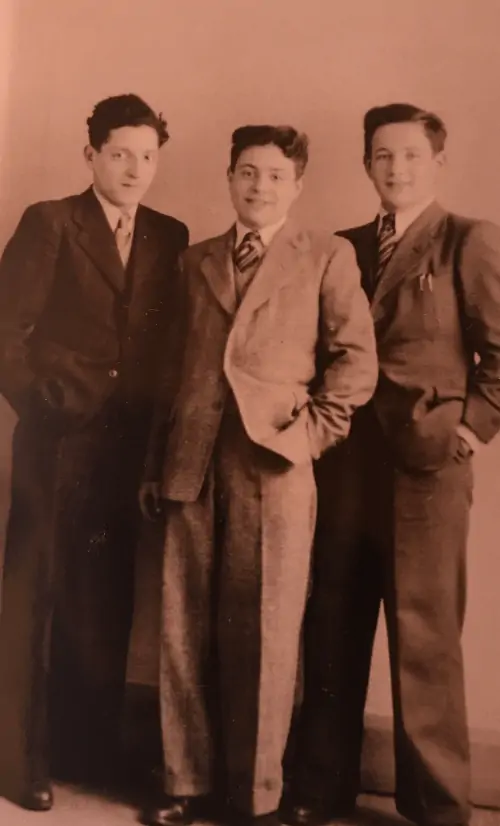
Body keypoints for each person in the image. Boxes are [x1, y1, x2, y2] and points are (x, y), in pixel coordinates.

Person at [139, 124, 378, 826]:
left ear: (297, 184)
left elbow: (355, 364)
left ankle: (256, 797)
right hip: (192, 463)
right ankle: (186, 784)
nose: (259, 186)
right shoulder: (196, 260)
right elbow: (168, 375)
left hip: (274, 466)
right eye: (247, 171)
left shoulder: (326, 256)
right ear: (230, 177)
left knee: (268, 632)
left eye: (275, 174)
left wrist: (307, 439)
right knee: (182, 630)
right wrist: (158, 465)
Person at [283, 103, 500, 826]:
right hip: (345, 466)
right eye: (383, 156)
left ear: (437, 161)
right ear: (367, 163)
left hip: (428, 470)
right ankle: (319, 791)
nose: (396, 169)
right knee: (332, 623)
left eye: (410, 156)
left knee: (425, 638)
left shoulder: (469, 241)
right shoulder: (341, 246)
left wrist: (469, 432)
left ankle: (437, 808)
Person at [0, 93, 188, 811]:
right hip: (57, 446)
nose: (135, 168)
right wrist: (46, 407)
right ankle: (20, 763)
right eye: (120, 154)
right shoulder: (51, 223)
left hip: (123, 454)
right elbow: (5, 335)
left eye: (147, 156)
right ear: (91, 155)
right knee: (38, 595)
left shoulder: (169, 235)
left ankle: (89, 751)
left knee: (105, 604)